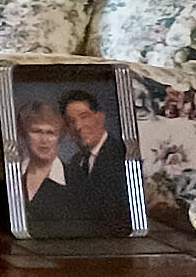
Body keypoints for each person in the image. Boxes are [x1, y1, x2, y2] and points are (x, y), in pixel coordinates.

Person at [12, 100, 96, 235]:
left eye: (51, 133)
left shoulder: (79, 181)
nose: (44, 140)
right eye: (37, 131)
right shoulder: (11, 178)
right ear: (24, 134)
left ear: (60, 136)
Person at [63, 89, 131, 226]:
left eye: (84, 117)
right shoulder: (76, 162)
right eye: (71, 121)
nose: (78, 126)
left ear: (100, 118)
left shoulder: (122, 155)